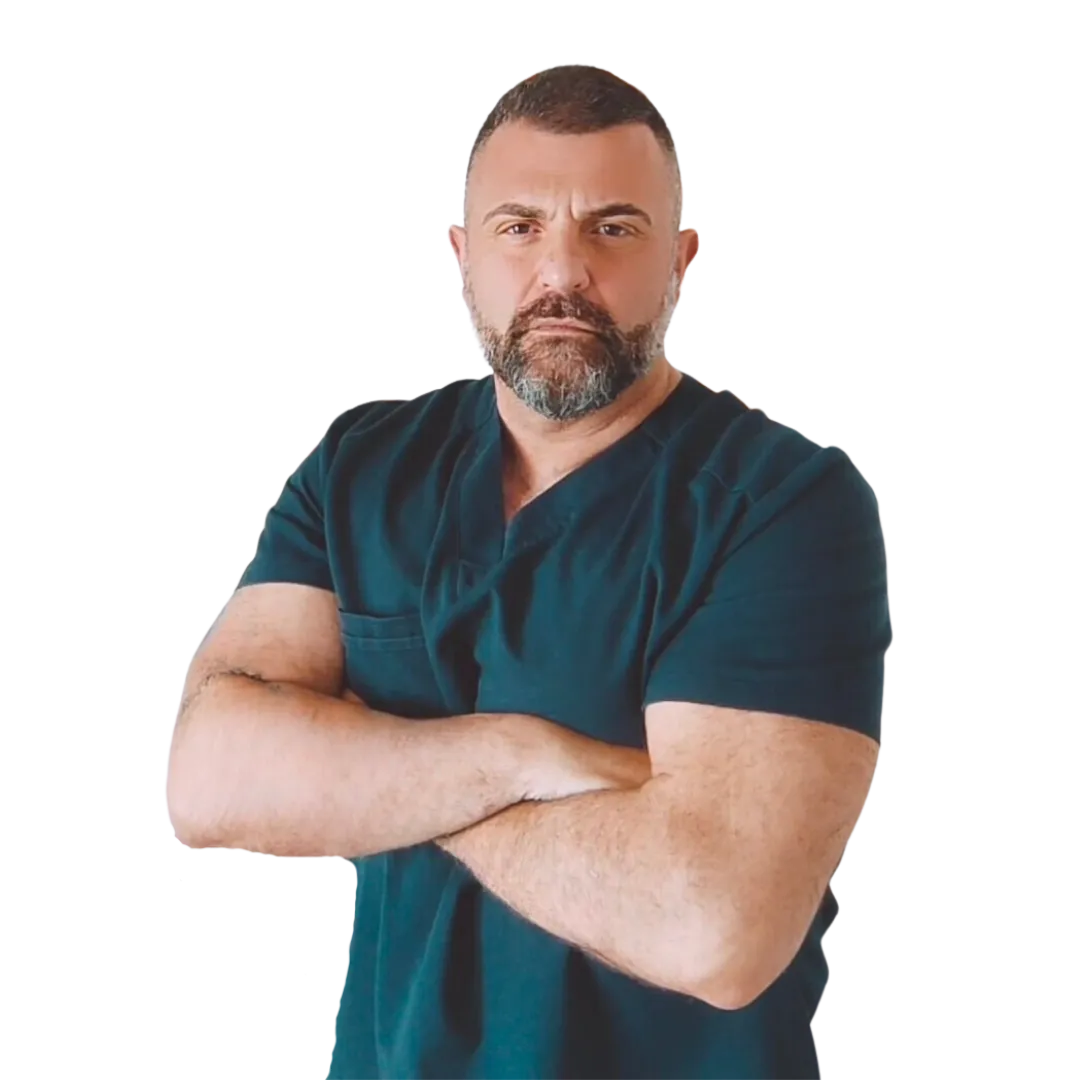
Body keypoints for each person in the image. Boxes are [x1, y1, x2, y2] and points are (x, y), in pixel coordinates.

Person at [167, 63, 891, 1080]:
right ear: (461, 254)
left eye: (613, 228)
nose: (563, 271)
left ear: (682, 260)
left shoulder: (784, 502)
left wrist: (368, 768)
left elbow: (713, 927)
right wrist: (521, 755)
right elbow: (206, 781)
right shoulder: (361, 464)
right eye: (519, 227)